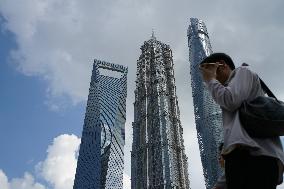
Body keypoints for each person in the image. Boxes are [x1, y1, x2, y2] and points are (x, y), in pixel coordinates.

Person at [199, 53, 284, 189]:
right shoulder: (228, 90)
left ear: (221, 65)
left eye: (208, 70)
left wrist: (210, 79)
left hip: (257, 157)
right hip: (242, 158)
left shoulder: (243, 72)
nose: (207, 78)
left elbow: (231, 100)